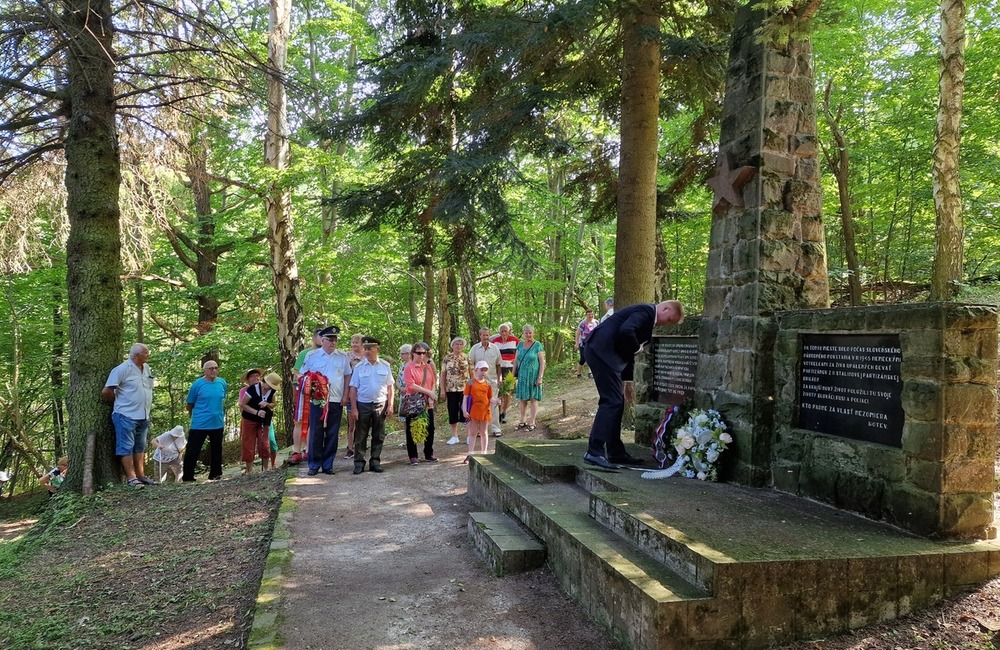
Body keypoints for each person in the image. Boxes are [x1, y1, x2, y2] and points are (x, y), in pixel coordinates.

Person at [584, 300, 684, 469]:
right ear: (665, 308)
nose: (665, 324)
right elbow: (626, 332)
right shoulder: (646, 312)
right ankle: (594, 451)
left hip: (605, 354)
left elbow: (626, 348)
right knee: (611, 401)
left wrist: (627, 380)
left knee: (617, 402)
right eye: (668, 320)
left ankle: (615, 452)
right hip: (601, 351)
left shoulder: (647, 318)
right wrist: (637, 348)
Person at [299, 326, 351, 476]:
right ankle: (314, 464)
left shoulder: (342, 356)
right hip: (317, 401)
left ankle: (328, 464)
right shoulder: (312, 356)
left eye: (335, 339)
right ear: (322, 340)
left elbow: (347, 376)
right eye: (330, 339)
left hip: (335, 399)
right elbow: (303, 376)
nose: (333, 342)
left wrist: (345, 395)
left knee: (332, 432)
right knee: (316, 432)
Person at [102, 342, 156, 488]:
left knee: (140, 446)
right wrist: (121, 401)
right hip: (125, 415)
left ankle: (141, 476)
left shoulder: (146, 368)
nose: (148, 355)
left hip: (143, 415)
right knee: (126, 447)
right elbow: (107, 391)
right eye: (146, 353)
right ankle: (131, 478)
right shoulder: (122, 369)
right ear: (137, 355)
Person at [349, 337, 395, 474]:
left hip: (380, 404)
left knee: (378, 435)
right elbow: (353, 389)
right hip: (363, 404)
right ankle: (359, 463)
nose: (367, 351)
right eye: (365, 349)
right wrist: (354, 408)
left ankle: (375, 462)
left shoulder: (385, 366)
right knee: (360, 435)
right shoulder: (359, 367)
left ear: (377, 349)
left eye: (370, 348)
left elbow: (390, 387)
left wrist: (390, 405)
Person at [182, 359, 228, 482]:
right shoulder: (197, 385)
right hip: (200, 424)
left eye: (216, 368)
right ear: (204, 370)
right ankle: (188, 477)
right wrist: (194, 416)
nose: (214, 370)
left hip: (217, 423)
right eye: (211, 368)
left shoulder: (222, 383)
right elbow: (189, 404)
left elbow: (222, 398)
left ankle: (215, 475)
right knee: (193, 450)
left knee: (217, 449)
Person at [290, 328, 324, 465]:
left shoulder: (327, 355)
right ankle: (296, 450)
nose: (322, 340)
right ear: (314, 338)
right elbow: (296, 373)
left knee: (314, 421)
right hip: (303, 391)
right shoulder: (304, 354)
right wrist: (295, 393)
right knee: (299, 420)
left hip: (319, 393)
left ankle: (308, 449)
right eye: (320, 337)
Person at [403, 341, 438, 464]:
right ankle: (413, 456)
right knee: (412, 428)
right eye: (419, 353)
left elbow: (433, 381)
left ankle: (429, 453)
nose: (421, 355)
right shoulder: (409, 367)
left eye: (424, 353)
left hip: (428, 402)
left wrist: (431, 394)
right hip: (414, 402)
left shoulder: (427, 366)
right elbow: (411, 385)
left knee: (430, 428)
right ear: (413, 353)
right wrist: (428, 392)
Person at [238, 370, 280, 474]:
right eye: (269, 385)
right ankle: (249, 471)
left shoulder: (272, 391)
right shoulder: (252, 389)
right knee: (248, 443)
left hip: (264, 420)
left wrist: (267, 404)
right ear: (265, 381)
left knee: (264, 443)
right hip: (249, 419)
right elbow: (242, 404)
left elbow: (273, 404)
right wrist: (256, 412)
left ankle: (265, 469)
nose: (270, 388)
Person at [469, 328, 502, 437]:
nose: (486, 337)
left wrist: (500, 378)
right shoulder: (474, 349)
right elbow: (470, 365)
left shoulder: (495, 348)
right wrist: (472, 380)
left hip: (492, 382)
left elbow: (498, 365)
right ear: (480, 336)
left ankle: (496, 428)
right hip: (479, 383)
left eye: (487, 335)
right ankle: (480, 429)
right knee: (480, 405)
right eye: (483, 335)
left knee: (494, 404)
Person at [512, 324, 545, 431]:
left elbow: (542, 362)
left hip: (533, 376)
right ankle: (522, 420)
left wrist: (540, 377)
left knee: (533, 398)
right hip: (522, 376)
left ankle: (532, 421)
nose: (528, 335)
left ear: (533, 333)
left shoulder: (537, 345)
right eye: (526, 333)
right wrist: (512, 376)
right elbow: (516, 361)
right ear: (523, 333)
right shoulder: (520, 345)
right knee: (522, 399)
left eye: (530, 332)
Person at [463, 361, 497, 463]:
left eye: (485, 370)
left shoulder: (488, 384)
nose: (484, 372)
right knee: (473, 432)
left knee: (483, 431)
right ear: (476, 370)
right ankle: (470, 453)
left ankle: (484, 453)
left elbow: (490, 398)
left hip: (485, 410)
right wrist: (464, 410)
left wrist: (496, 401)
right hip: (474, 410)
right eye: (482, 370)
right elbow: (465, 398)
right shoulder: (470, 383)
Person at [440, 337, 470, 445]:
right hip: (451, 389)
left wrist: (474, 387)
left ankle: (469, 436)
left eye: (461, 344)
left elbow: (472, 372)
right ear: (452, 345)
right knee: (452, 410)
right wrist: (442, 390)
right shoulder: (447, 358)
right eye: (457, 344)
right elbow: (443, 374)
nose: (459, 346)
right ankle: (454, 436)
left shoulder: (466, 357)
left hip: (465, 389)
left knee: (466, 411)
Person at [491, 323, 519, 428]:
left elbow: (521, 352)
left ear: (509, 331)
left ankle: (504, 412)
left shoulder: (515, 340)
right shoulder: (494, 341)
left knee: (507, 391)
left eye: (505, 331)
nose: (503, 333)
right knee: (498, 391)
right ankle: (498, 413)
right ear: (499, 332)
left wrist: (516, 360)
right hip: (498, 369)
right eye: (501, 331)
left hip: (510, 369)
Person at [345, 333, 365, 458]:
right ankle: (350, 448)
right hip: (351, 391)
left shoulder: (366, 356)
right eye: (353, 342)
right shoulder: (347, 356)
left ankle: (360, 446)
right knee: (351, 423)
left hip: (363, 393)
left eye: (357, 342)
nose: (354, 345)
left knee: (362, 423)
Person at [575, 309, 598, 378]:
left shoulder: (596, 322)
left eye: (592, 314)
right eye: (589, 314)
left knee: (592, 357)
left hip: (593, 343)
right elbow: (578, 333)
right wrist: (576, 343)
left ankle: (590, 373)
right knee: (583, 358)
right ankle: (578, 374)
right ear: (586, 315)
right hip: (583, 343)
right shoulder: (583, 323)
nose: (590, 316)